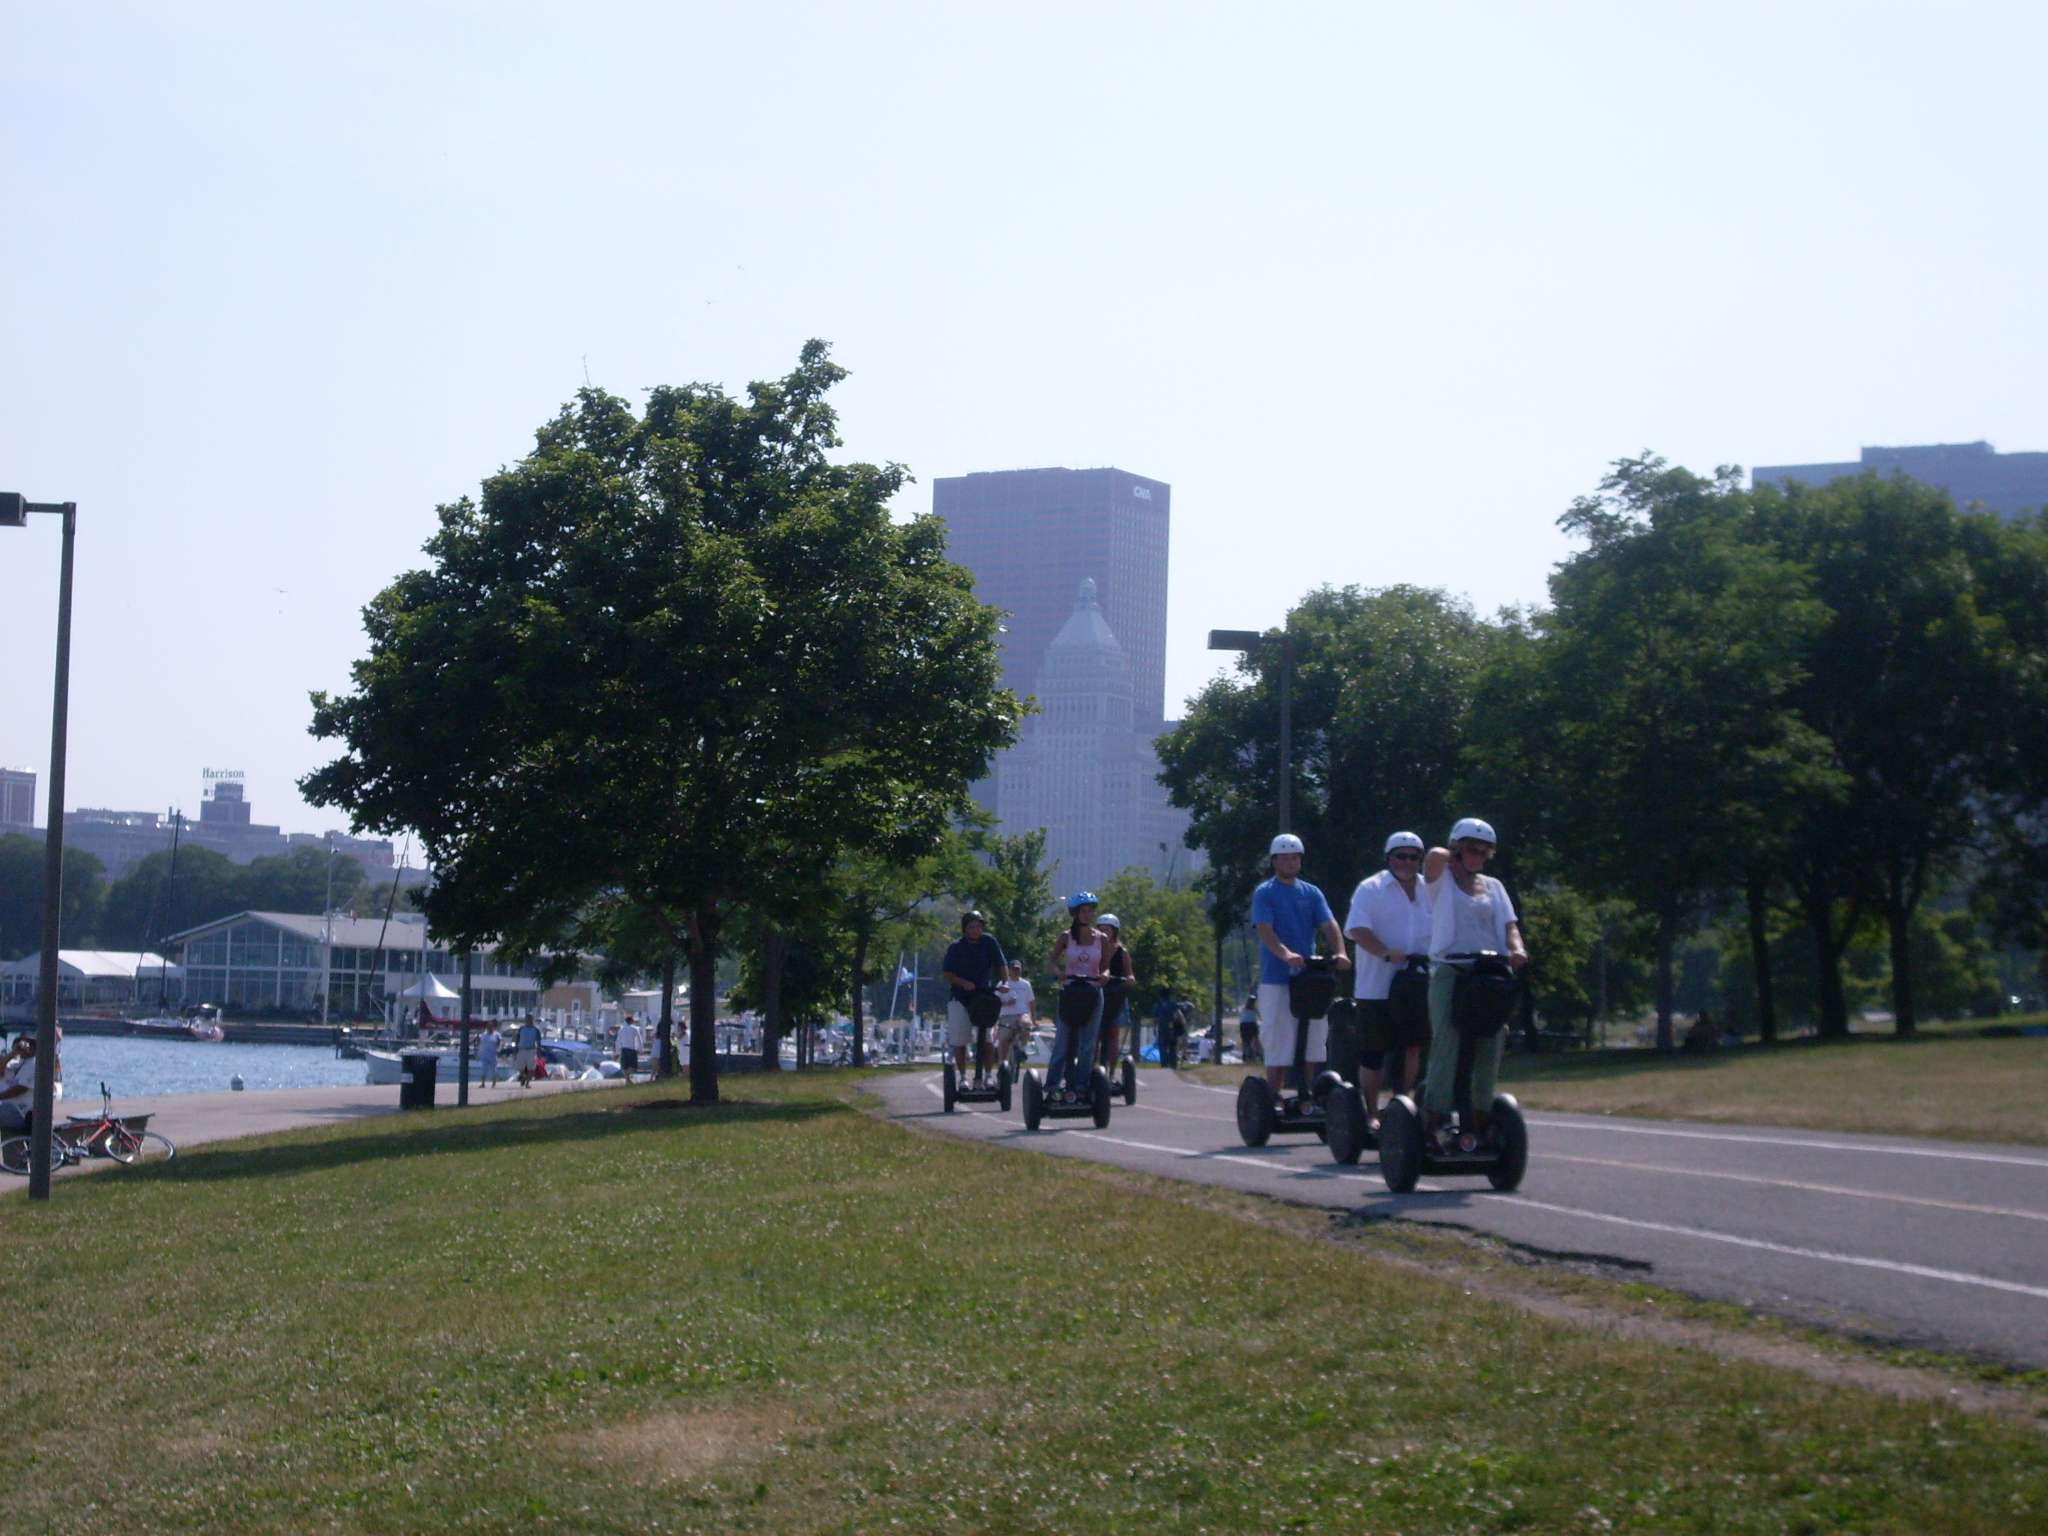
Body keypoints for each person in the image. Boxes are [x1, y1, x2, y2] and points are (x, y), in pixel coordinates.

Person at [1422, 817, 1528, 1147]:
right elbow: (1433, 856)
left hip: (1490, 974)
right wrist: (1452, 856)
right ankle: (1434, 1118)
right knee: (1447, 1041)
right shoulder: (1441, 880)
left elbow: (1509, 926)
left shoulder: (1494, 887)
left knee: (1492, 1041)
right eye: (1471, 850)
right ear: (1457, 850)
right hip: (1451, 971)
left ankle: (1481, 1117)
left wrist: (1517, 949)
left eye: (1484, 852)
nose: (1478, 857)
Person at [1344, 831, 1449, 1133]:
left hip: (1417, 983)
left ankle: (1401, 1105)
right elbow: (1356, 929)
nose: (1407, 862)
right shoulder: (1371, 888)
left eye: (1413, 857)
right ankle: (1371, 1112)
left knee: (1412, 1047)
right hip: (1377, 985)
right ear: (1389, 858)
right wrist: (1385, 953)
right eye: (1400, 856)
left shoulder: (1430, 890)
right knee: (1374, 1052)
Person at [1251, 833, 1351, 1107]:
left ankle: (1307, 1094)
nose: (1290, 862)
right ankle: (1273, 1096)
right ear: (1274, 861)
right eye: (1284, 858)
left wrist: (1340, 952)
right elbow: (1265, 929)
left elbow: (1329, 924)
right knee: (1279, 1038)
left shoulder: (1311, 892)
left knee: (1314, 1038)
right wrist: (1285, 954)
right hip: (1277, 978)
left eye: (1295, 858)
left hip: (1310, 976)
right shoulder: (1265, 892)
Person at [1047, 892, 1108, 1104]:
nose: (1088, 914)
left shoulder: (1102, 938)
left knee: (1088, 1044)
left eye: (1091, 910)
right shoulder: (1066, 937)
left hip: (1092, 992)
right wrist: (1059, 973)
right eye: (1083, 911)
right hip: (1070, 992)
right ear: (1075, 913)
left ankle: (1082, 1086)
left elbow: (1106, 967)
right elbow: (1051, 962)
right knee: (1062, 1042)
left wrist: (1104, 976)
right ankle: (1052, 1086)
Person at [941, 910, 1008, 1088]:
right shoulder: (956, 947)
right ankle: (963, 1077)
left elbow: (1001, 965)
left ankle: (988, 1076)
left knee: (987, 1038)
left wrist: (1004, 982)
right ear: (965, 929)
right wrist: (963, 982)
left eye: (978, 926)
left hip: (983, 996)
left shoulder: (989, 942)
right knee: (960, 1040)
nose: (976, 929)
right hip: (960, 997)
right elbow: (947, 974)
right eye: (971, 927)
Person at [1096, 914, 1135, 1072]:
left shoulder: (1122, 951)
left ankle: (1111, 1072)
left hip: (1115, 995)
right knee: (1094, 1034)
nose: (1105, 933)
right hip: (1097, 993)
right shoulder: (1094, 949)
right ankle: (1090, 1070)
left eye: (1108, 930)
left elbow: (1130, 973)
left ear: (1114, 931)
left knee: (1113, 1034)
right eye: (1101, 929)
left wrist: (1129, 979)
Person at [994, 960, 1036, 1071]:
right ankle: (1002, 1067)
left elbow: (1031, 1002)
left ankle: (1022, 1048)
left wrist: (1033, 1018)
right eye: (1014, 969)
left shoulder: (1026, 984)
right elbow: (994, 1002)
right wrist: (1007, 1003)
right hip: (1006, 1015)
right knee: (1004, 1040)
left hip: (1022, 1014)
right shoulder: (1002, 984)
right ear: (1009, 970)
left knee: (1026, 1023)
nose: (1016, 971)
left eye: (1018, 969)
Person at [515, 1012, 543, 1088]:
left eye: (530, 1019)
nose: (529, 1020)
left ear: (532, 1019)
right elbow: (517, 1039)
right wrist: (515, 1049)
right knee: (520, 1068)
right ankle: (523, 1077)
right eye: (527, 1019)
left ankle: (527, 1083)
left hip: (531, 1051)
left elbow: (539, 1042)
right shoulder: (521, 1029)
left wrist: (539, 1052)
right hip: (522, 1050)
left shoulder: (536, 1030)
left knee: (531, 1069)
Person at [616, 1014, 644, 1079]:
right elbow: (639, 1040)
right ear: (632, 1021)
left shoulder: (621, 1029)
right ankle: (627, 1078)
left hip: (624, 1049)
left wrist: (618, 1051)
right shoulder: (635, 1029)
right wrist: (640, 1049)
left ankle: (627, 1078)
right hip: (632, 1049)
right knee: (634, 1067)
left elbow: (618, 1041)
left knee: (624, 1067)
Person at [476, 1021, 502, 1088]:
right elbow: (480, 1043)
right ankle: (483, 1083)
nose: (489, 1028)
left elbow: (499, 1043)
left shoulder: (496, 1034)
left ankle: (493, 1083)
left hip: (493, 1054)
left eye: (491, 1026)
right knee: (484, 1069)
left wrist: (498, 1049)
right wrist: (479, 1052)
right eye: (488, 1026)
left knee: (493, 1069)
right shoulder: (483, 1034)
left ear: (493, 1027)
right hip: (484, 1054)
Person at [1238, 993, 1262, 1064]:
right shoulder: (1245, 1008)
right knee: (1248, 1041)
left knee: (1252, 1040)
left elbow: (1259, 1016)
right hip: (1247, 1025)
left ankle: (1255, 1054)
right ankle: (1247, 1055)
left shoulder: (1253, 1009)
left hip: (1248, 1025)